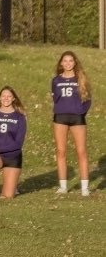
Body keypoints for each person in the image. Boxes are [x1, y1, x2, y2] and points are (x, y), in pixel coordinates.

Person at [51, 51, 92, 196]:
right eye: (65, 61)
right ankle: (63, 186)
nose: (68, 63)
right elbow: (55, 98)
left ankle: (85, 187)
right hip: (60, 118)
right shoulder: (56, 80)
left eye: (70, 61)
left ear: (75, 63)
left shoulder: (80, 79)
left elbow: (88, 100)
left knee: (81, 152)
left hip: (77, 118)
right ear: (61, 63)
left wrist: (80, 112)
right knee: (61, 152)